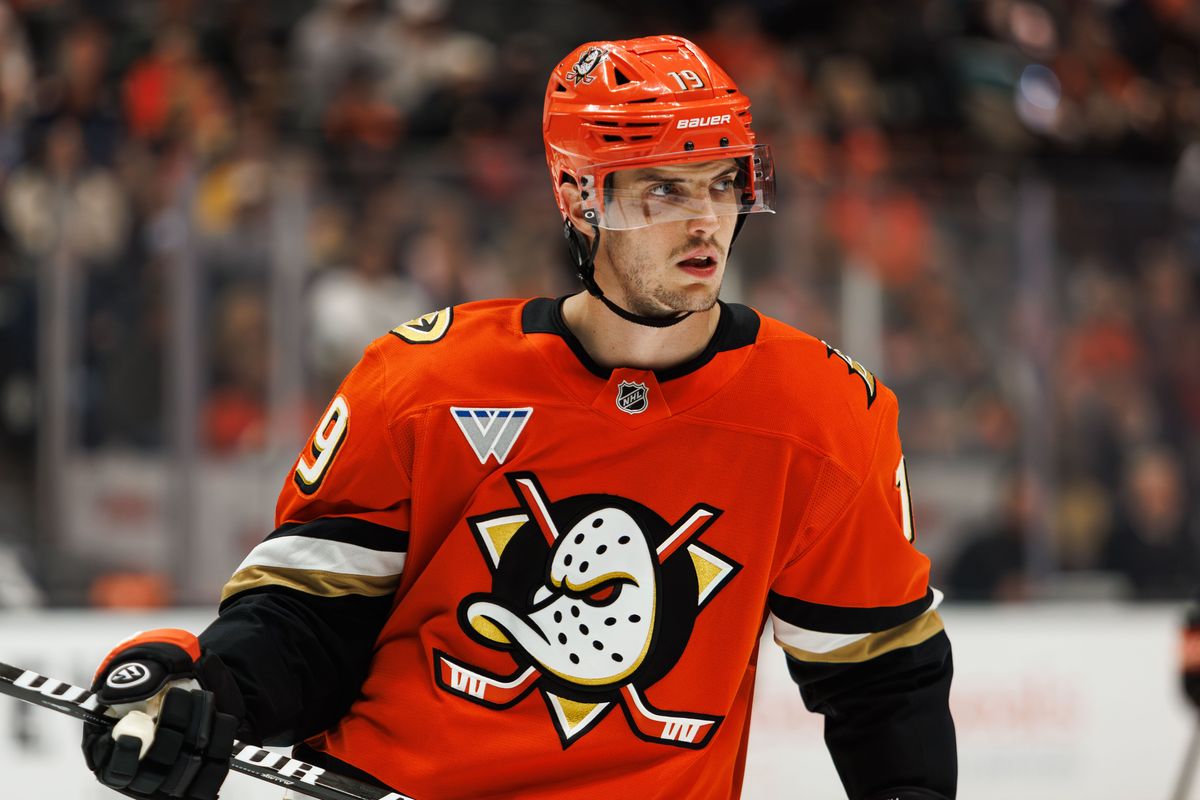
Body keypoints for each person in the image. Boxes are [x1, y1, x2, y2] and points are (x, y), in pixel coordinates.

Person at [82, 36, 956, 800]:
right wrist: (205, 693)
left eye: (723, 183)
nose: (704, 223)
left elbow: (880, 680)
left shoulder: (824, 414)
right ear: (579, 197)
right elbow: (305, 623)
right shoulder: (422, 381)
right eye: (662, 190)